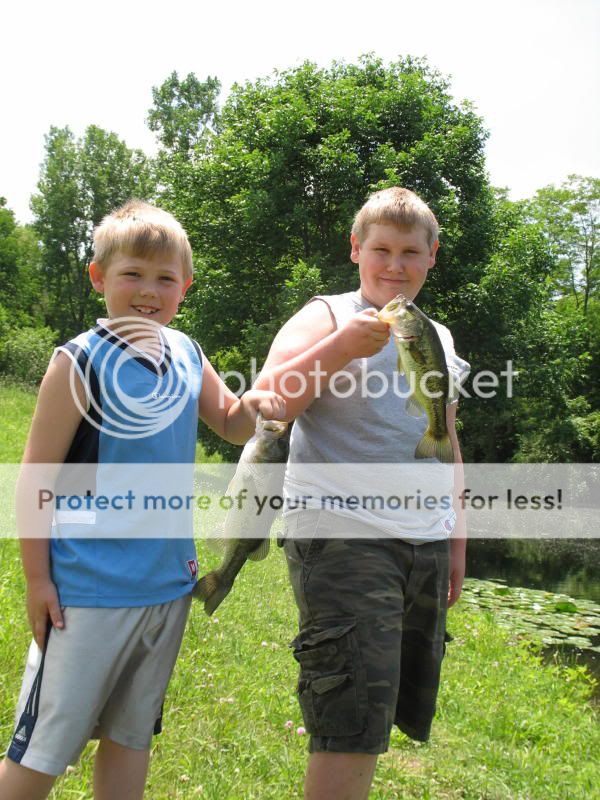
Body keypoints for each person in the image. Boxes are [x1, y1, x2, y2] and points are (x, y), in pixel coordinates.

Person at [0, 200, 285, 800]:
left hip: (167, 588)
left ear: (186, 286)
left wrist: (257, 403)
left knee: (131, 737)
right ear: (99, 277)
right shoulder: (78, 362)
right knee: (42, 751)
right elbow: (34, 479)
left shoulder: (186, 352)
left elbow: (230, 423)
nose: (148, 292)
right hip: (87, 591)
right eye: (132, 274)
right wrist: (36, 580)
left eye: (165, 278)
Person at [255, 187, 470, 800]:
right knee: (351, 718)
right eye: (380, 249)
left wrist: (456, 540)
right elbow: (267, 407)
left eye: (410, 252)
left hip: (423, 541)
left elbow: (446, 436)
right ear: (356, 250)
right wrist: (339, 348)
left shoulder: (439, 336)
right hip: (343, 534)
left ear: (432, 257)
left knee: (381, 709)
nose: (394, 265)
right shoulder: (324, 315)